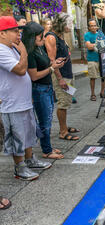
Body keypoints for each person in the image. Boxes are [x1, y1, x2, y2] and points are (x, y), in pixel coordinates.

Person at [0, 16, 52, 181]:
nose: (18, 34)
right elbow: (21, 70)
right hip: (11, 103)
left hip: (23, 100)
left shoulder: (12, 47)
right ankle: (20, 167)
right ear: (2, 33)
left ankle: (30, 160)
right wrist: (23, 50)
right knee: (17, 136)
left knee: (28, 133)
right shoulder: (2, 50)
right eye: (14, 31)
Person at [23, 21, 66, 160]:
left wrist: (55, 63)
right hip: (39, 89)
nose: (43, 39)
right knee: (45, 122)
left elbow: (47, 64)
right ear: (32, 37)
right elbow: (34, 76)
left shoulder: (39, 48)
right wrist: (52, 68)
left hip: (47, 88)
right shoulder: (30, 53)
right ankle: (46, 150)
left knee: (47, 119)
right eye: (40, 36)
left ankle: (48, 146)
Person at [44, 13, 80, 141]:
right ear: (61, 24)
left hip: (67, 73)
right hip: (61, 75)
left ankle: (64, 125)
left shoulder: (60, 36)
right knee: (62, 102)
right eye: (69, 24)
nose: (71, 26)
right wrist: (60, 79)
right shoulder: (51, 37)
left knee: (67, 100)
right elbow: (51, 61)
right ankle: (63, 131)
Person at [84, 19, 104, 101]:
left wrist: (95, 45)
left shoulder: (100, 34)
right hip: (92, 59)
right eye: (91, 25)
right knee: (93, 78)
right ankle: (92, 94)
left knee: (104, 76)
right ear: (89, 27)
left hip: (101, 59)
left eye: (94, 25)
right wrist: (99, 44)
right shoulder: (87, 35)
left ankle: (102, 92)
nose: (93, 27)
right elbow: (89, 47)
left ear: (97, 26)